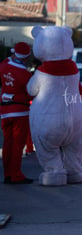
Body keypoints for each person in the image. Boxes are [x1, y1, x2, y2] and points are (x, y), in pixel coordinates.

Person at [0, 42, 34, 184]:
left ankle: (7, 173)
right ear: (26, 57)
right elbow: (31, 93)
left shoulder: (3, 65)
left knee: (7, 143)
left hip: (4, 110)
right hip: (20, 111)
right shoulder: (25, 74)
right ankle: (16, 174)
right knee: (18, 144)